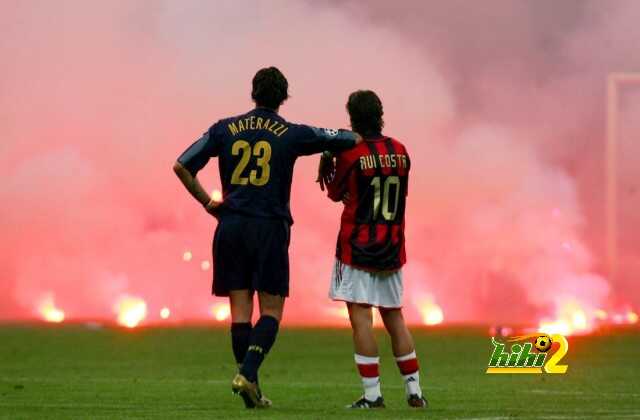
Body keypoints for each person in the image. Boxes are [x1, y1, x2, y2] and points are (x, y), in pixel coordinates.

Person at [173, 67, 361, 409]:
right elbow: (346, 138)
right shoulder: (291, 133)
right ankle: (247, 374)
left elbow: (182, 165)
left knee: (241, 312)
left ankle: (252, 389)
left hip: (230, 227)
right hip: (269, 228)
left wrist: (208, 203)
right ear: (283, 98)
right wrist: (330, 152)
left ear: (253, 93)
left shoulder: (224, 128)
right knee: (271, 310)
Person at [319, 90, 427, 409]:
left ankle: (372, 395)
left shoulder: (351, 154)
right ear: (380, 113)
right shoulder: (401, 150)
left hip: (358, 246)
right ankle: (414, 392)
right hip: (392, 245)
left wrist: (330, 156)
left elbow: (335, 193)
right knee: (395, 317)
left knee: (361, 319)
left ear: (352, 117)